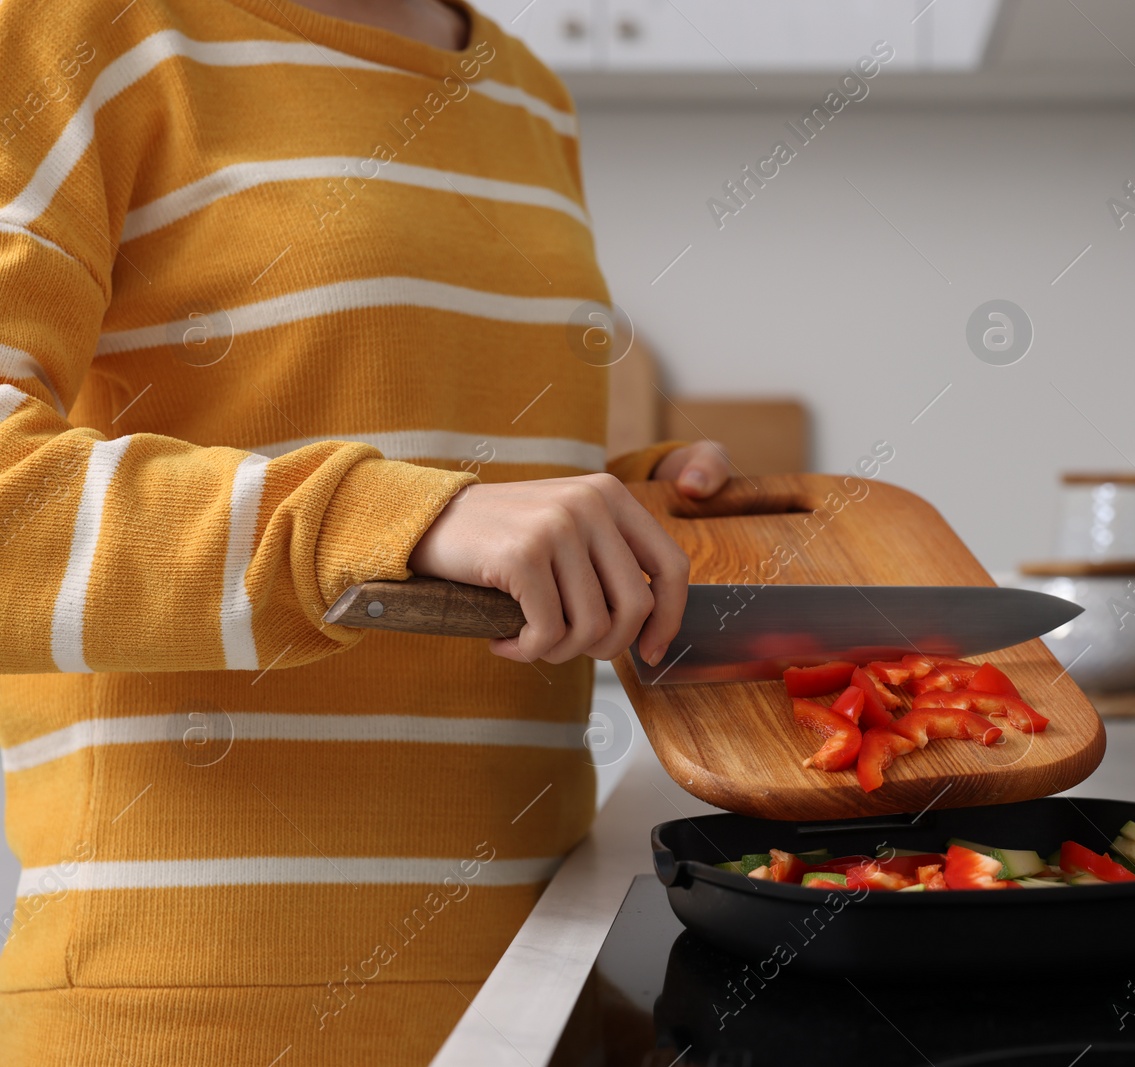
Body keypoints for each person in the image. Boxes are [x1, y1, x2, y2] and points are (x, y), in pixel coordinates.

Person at [0, 0, 731, 1061]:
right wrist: (393, 513)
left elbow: (462, 483)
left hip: (543, 990)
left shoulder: (528, 91)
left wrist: (638, 517)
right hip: (196, 1017)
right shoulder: (76, 29)